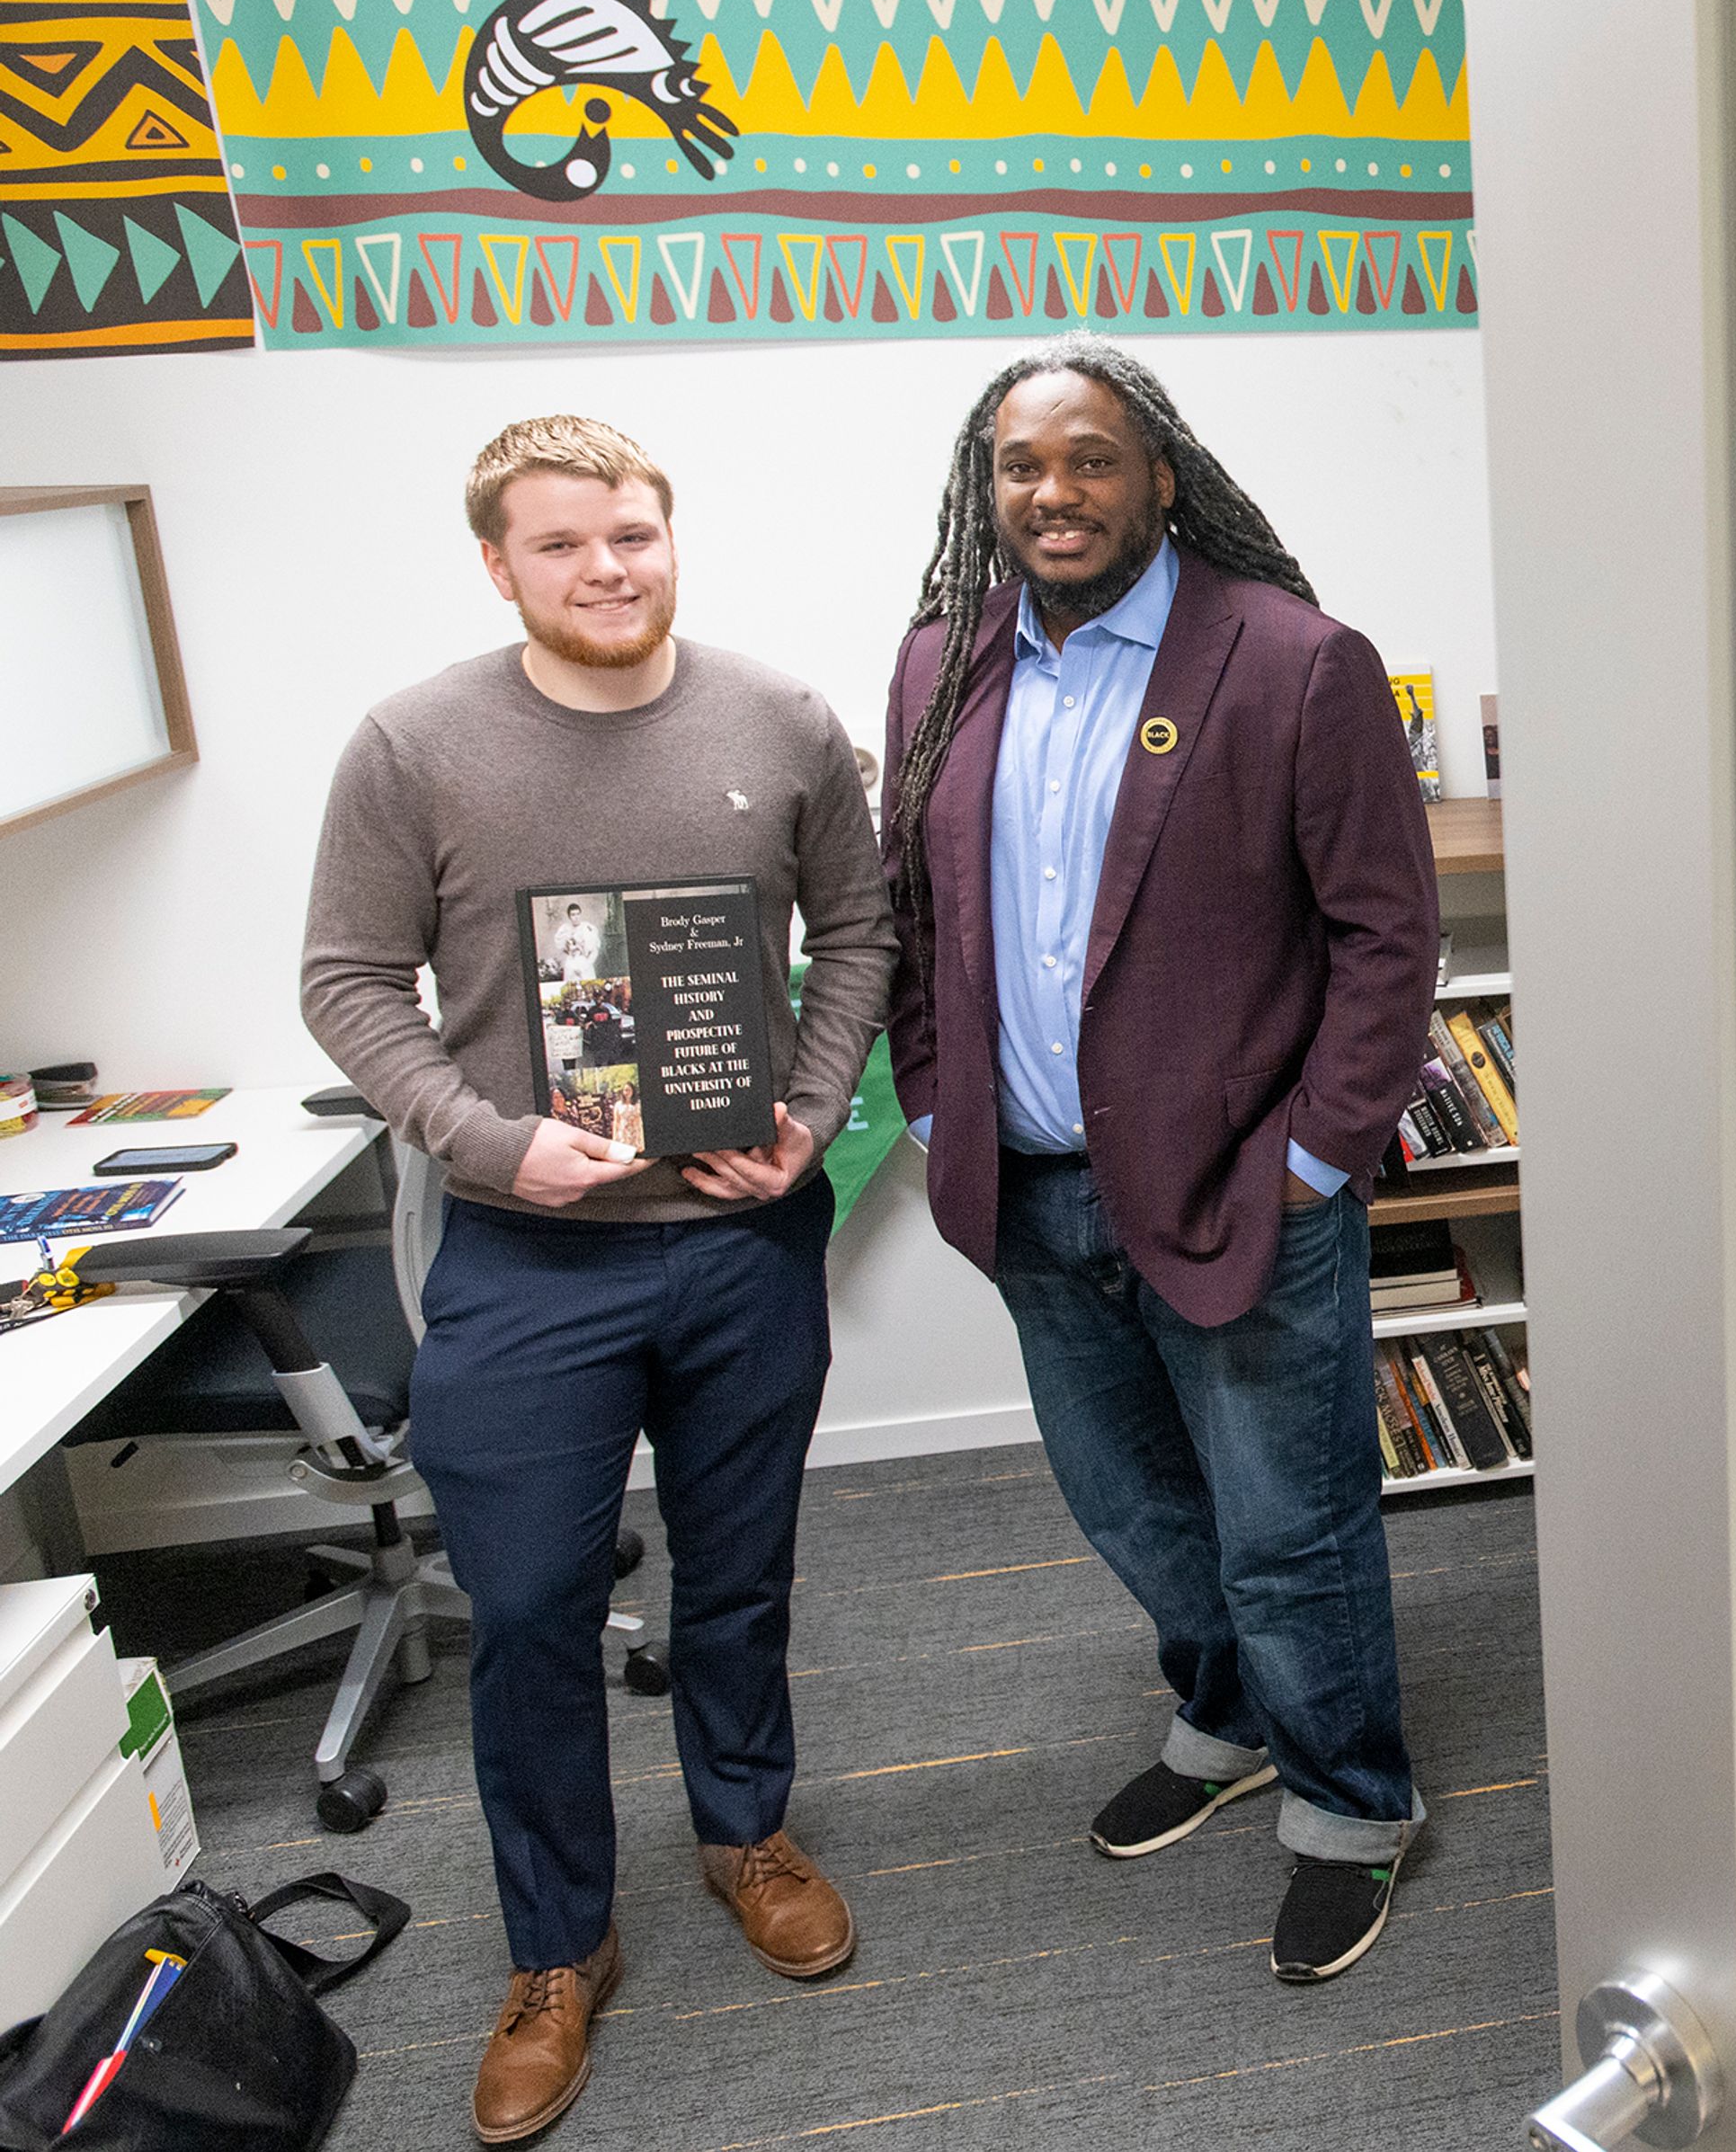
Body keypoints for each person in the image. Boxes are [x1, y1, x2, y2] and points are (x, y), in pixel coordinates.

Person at [300, 417, 893, 2144]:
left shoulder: (781, 720)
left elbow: (856, 932)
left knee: (739, 1570)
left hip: (738, 1243)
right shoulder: (414, 744)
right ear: (501, 563)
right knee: (536, 1611)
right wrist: (482, 1139)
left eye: (632, 531)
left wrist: (806, 1109)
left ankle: (745, 1830)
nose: (608, 566)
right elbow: (348, 980)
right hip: (527, 1258)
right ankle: (558, 1946)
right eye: (563, 544)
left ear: (670, 535)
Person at [882, 336, 1441, 1986]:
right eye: (1020, 465)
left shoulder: (1291, 659)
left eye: (1090, 459)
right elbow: (913, 914)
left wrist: (1320, 1159)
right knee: (1127, 1500)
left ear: (1160, 477)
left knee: (1291, 1520)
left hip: (1243, 1187)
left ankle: (1349, 1800)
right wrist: (931, 1104)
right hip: (1034, 1187)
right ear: (988, 491)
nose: (1052, 492)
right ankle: (1227, 1717)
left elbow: (1384, 937)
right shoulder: (940, 663)